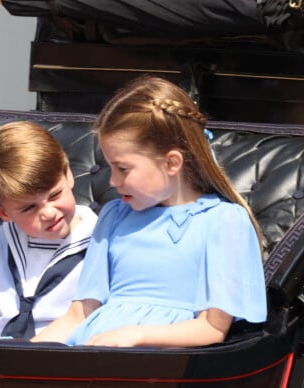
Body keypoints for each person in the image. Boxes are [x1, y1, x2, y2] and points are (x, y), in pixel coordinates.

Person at [32, 75, 267, 347]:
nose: (113, 181)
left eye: (123, 169)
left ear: (171, 163)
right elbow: (77, 316)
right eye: (111, 168)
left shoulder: (223, 221)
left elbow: (212, 328)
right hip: (92, 354)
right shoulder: (114, 216)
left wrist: (137, 335)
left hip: (158, 365)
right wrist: (24, 354)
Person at [0, 121, 98, 339]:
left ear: (68, 174)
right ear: (2, 211)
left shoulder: (100, 240)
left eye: (54, 195)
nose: (48, 213)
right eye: (29, 208)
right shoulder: (0, 240)